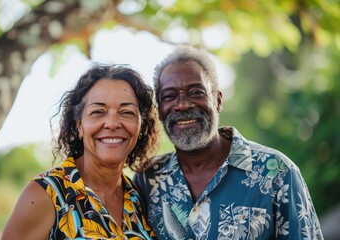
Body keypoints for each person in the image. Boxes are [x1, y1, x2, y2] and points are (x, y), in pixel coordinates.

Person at [134, 45, 324, 239]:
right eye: (169, 96)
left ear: (218, 100)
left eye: (196, 92)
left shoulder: (277, 172)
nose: (182, 104)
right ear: (160, 109)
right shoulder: (148, 179)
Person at [2, 63, 159, 239]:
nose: (113, 123)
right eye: (98, 112)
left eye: (127, 112)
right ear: (79, 125)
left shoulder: (139, 198)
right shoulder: (45, 195)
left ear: (140, 125)